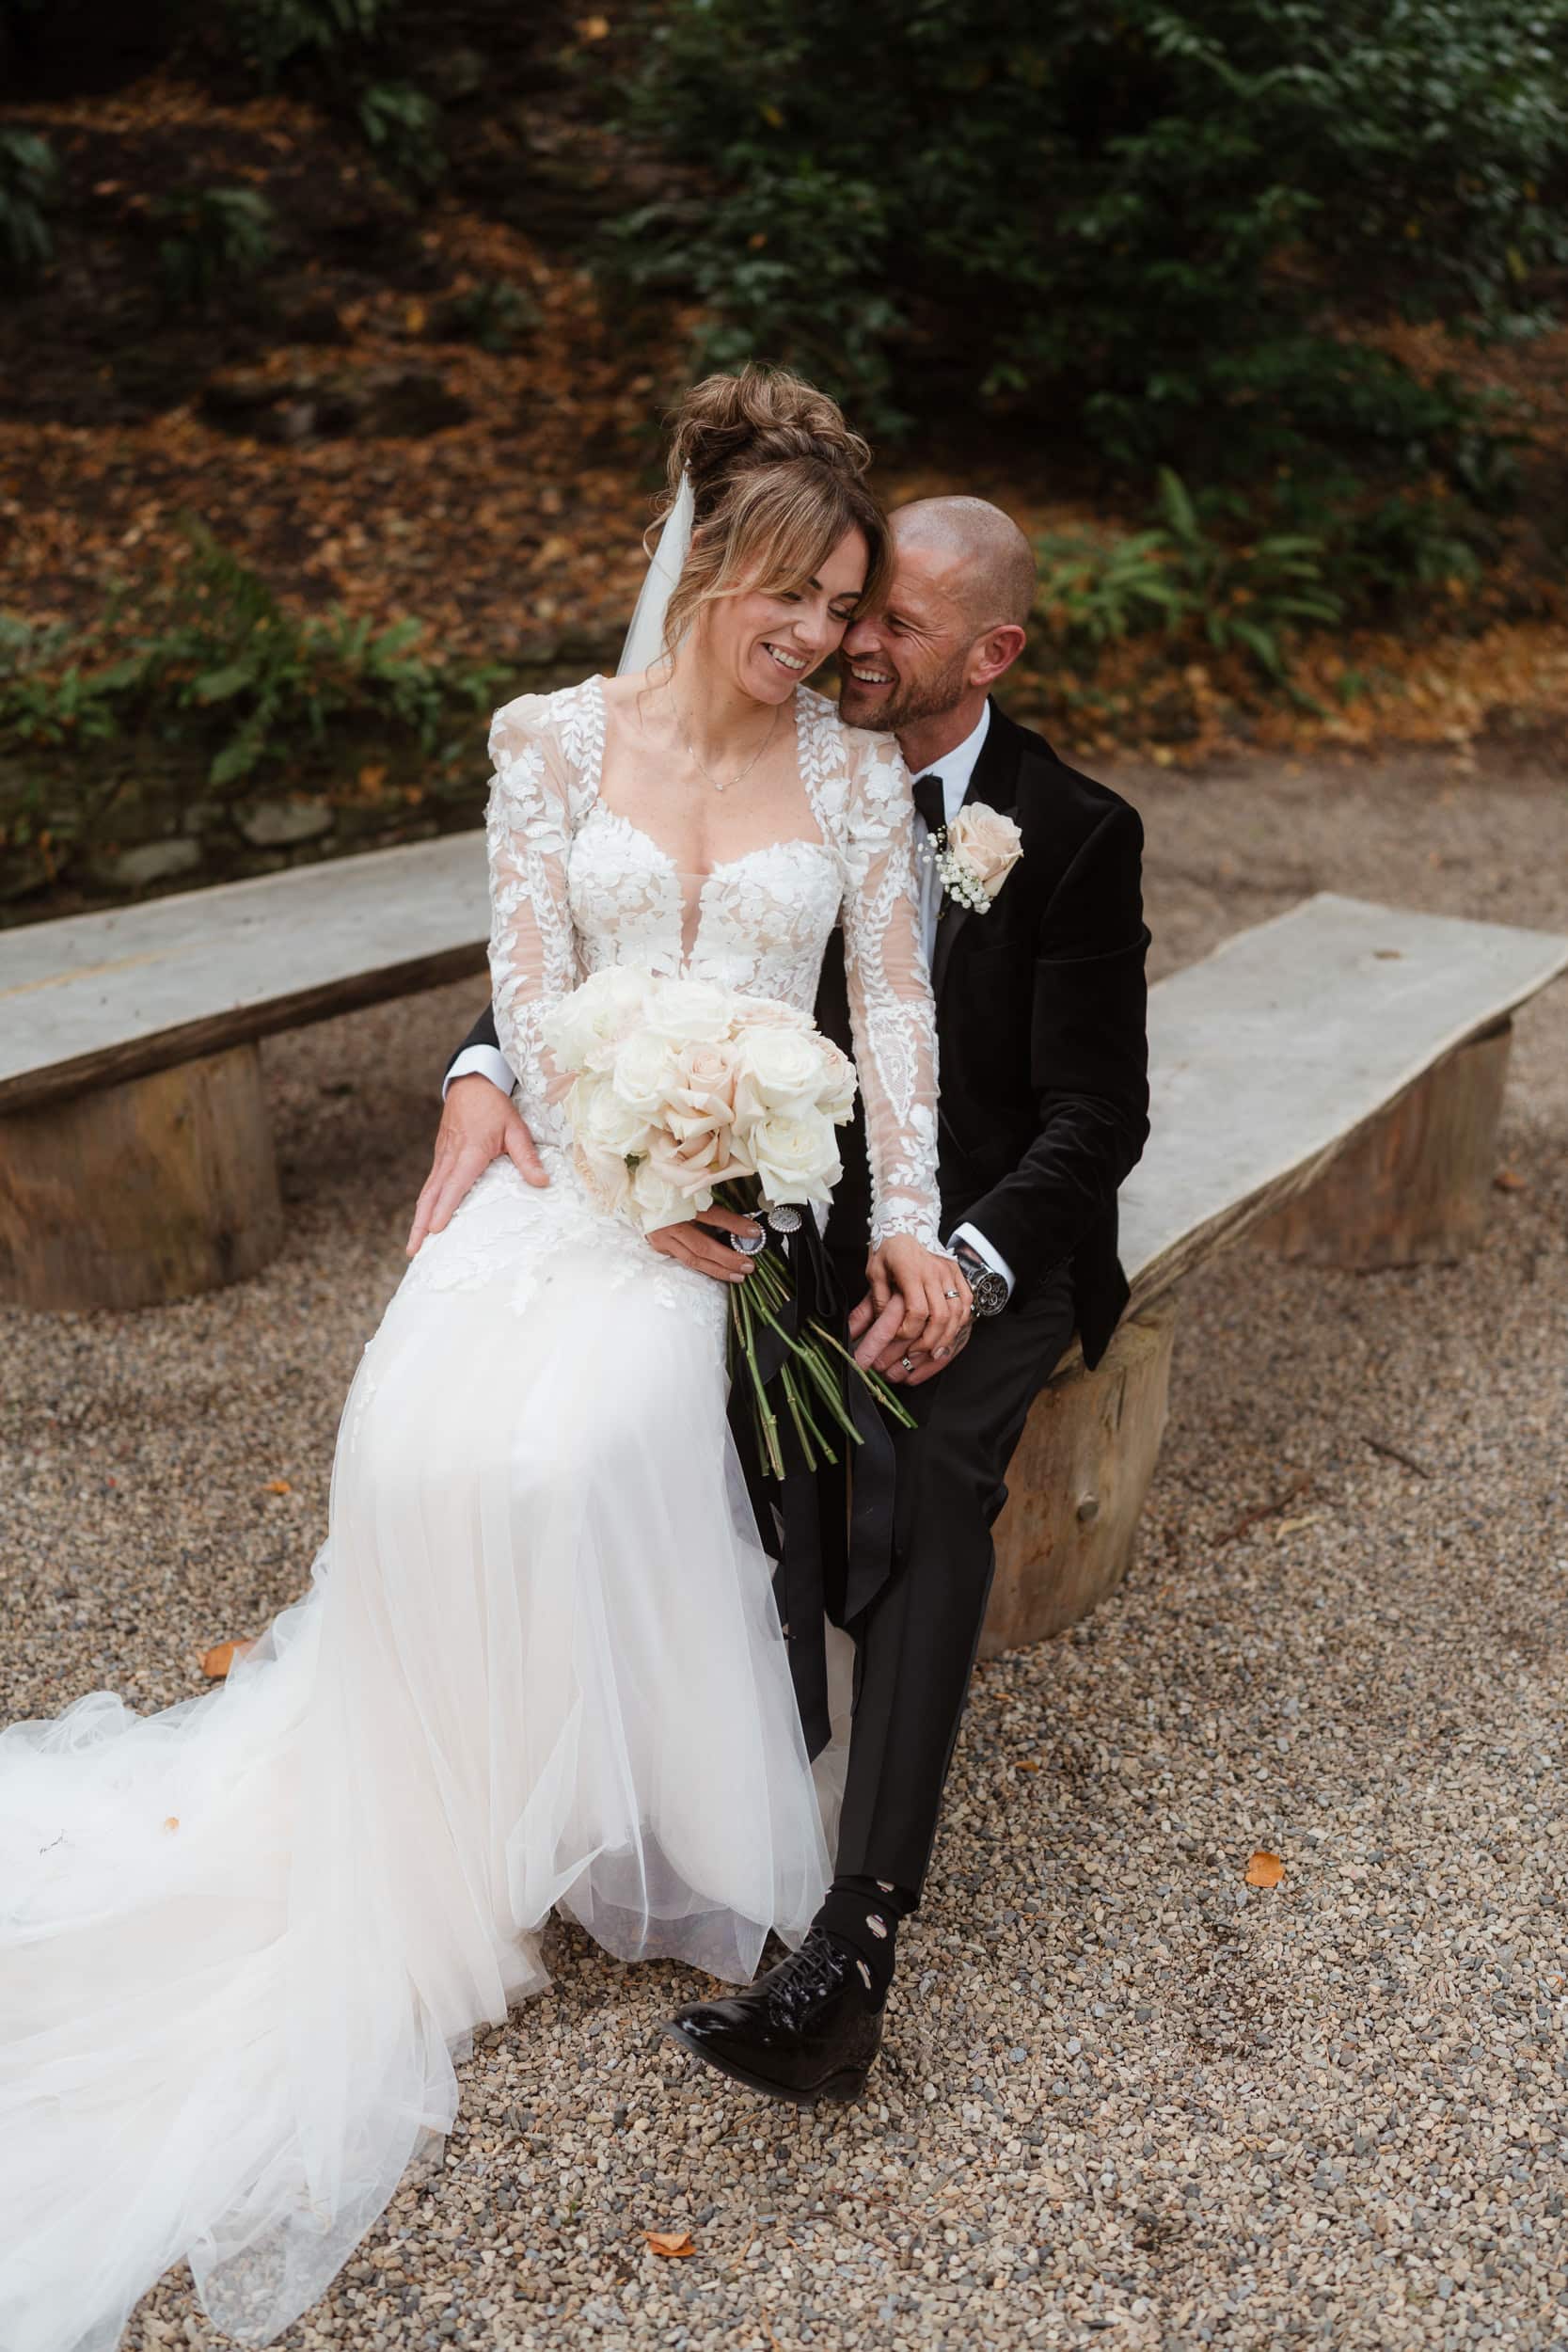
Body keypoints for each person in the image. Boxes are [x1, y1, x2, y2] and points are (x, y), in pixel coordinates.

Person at [0, 367, 969, 2352]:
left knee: (568, 1450)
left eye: (842, 606)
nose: (817, 637)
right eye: (792, 595)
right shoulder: (549, 739)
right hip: (577, 1187)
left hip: (741, 1217)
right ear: (709, 561)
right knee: (413, 1436)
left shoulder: (856, 778)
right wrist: (625, 1175)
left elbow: (891, 1011)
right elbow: (530, 1006)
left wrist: (899, 1217)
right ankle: (454, 1807)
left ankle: (610, 1816)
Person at [424, 495, 1151, 2106]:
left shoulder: (1072, 830)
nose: (847, 643)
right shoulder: (789, 761)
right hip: (794, 1213)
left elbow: (1098, 1115)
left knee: (929, 1462)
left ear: (993, 652)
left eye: (891, 622)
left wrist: (962, 1263)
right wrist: (483, 1066)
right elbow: (622, 936)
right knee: (674, 1412)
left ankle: (857, 1939)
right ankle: (651, 1791)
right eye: (842, 608)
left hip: (988, 1241)